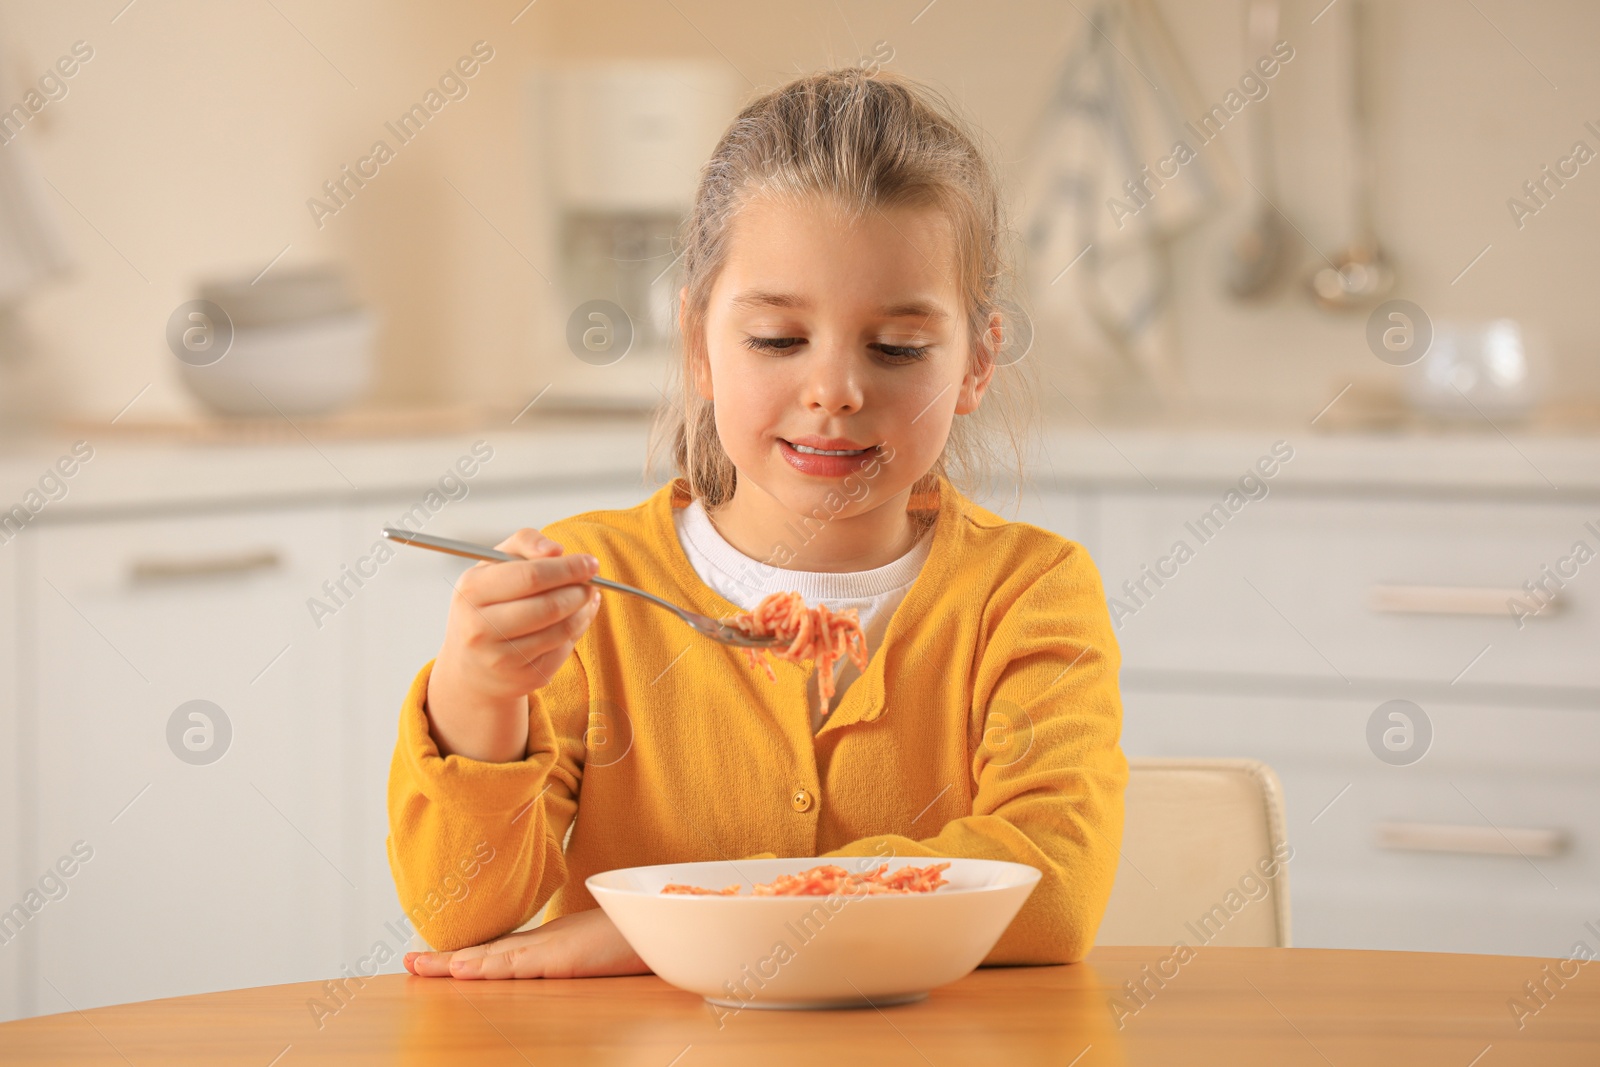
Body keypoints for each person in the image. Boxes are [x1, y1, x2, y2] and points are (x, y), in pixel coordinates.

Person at [391, 66, 1127, 980]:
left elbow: (1048, 886)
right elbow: (458, 915)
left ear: (978, 363)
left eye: (898, 348)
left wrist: (674, 923)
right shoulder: (598, 592)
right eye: (778, 340)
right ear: (698, 341)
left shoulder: (1029, 594)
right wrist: (479, 696)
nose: (835, 391)